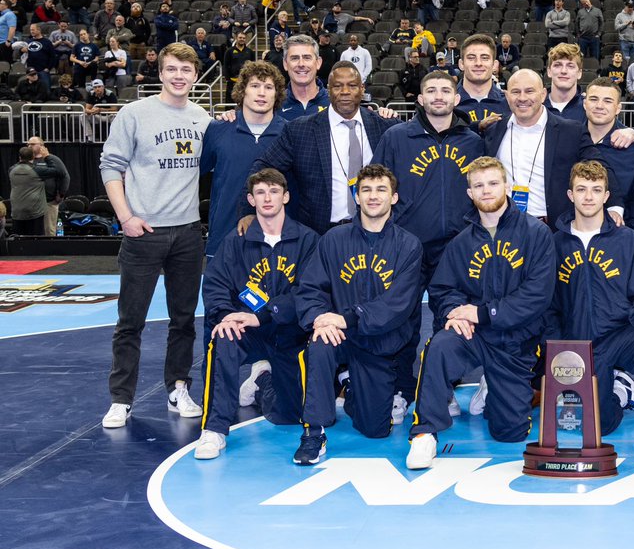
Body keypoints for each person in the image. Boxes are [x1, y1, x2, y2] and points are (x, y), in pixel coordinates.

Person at [406, 157, 556, 470]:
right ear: (470, 193)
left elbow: (536, 296)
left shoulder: (536, 234)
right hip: (473, 335)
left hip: (516, 341)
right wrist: (454, 313)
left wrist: (480, 312)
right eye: (478, 186)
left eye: (492, 183)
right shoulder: (461, 242)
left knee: (510, 433)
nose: (486, 191)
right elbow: (443, 289)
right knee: (440, 345)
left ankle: (493, 385)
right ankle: (424, 434)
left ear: (507, 186)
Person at [98, 43, 210, 429]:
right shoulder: (135, 113)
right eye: (172, 69)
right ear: (160, 72)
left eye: (186, 70)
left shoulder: (202, 118)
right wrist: (125, 217)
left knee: (183, 320)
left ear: (196, 76)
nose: (179, 76)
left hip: (188, 233)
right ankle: (121, 399)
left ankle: (178, 388)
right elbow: (110, 166)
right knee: (130, 321)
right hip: (143, 232)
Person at [291, 164, 424, 465]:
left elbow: (397, 304)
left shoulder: (408, 245)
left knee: (375, 429)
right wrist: (319, 318)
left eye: (381, 190)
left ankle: (349, 383)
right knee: (319, 343)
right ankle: (314, 433)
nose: (373, 196)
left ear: (394, 198)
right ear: (357, 196)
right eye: (366, 190)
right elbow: (310, 287)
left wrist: (347, 317)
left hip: (379, 341)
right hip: (338, 335)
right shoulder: (334, 239)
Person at [545, 160, 634, 460]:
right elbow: (547, 303)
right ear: (570, 195)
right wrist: (555, 346)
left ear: (606, 196)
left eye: (596, 190)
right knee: (598, 425)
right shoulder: (554, 243)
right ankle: (621, 389)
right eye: (582, 190)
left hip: (620, 334)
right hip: (578, 346)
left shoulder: (627, 240)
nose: (588, 197)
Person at [374, 70, 486, 417]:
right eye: (431, 90)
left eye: (445, 91)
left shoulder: (472, 142)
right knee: (401, 319)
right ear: (420, 99)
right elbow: (377, 185)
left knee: (450, 319)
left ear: (456, 98)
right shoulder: (396, 137)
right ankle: (401, 390)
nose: (438, 96)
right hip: (407, 245)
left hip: (456, 247)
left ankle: (446, 388)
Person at [195, 169, 319, 460]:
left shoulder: (307, 240)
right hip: (247, 331)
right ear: (251, 199)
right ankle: (214, 430)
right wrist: (226, 315)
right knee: (223, 339)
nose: (267, 198)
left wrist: (264, 315)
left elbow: (309, 292)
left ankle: (262, 377)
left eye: (274, 191)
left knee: (289, 415)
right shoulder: (235, 242)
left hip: (290, 333)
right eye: (261, 192)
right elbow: (214, 286)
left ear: (285, 197)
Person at [250, 62, 398, 234]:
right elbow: (262, 167)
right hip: (319, 234)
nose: (344, 92)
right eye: (337, 86)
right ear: (328, 90)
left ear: (362, 89)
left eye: (352, 85)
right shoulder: (299, 130)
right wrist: (247, 212)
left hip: (375, 231)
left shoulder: (383, 126)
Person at [482, 69, 614, 228]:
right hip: (504, 226)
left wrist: (615, 208)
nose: (522, 98)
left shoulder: (571, 131)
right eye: (516, 92)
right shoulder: (494, 129)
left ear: (543, 94)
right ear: (507, 96)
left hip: (551, 230)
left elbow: (601, 168)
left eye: (529, 91)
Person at [199, 61, 287, 258]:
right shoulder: (218, 129)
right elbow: (195, 174)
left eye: (268, 87)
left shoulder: (290, 133)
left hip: (275, 242)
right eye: (255, 86)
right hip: (223, 237)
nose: (262, 93)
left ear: (277, 93)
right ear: (242, 91)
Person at [26, 136, 69, 236]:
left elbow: (65, 176)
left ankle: (51, 251)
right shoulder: (27, 161)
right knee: (32, 233)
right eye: (27, 144)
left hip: (49, 202)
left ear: (41, 146)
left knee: (49, 231)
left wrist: (61, 194)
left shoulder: (52, 159)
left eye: (32, 144)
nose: (29, 146)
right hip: (31, 204)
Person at [8, 147, 46, 235]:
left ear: (19, 157)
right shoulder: (38, 170)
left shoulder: (11, 170)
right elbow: (60, 171)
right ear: (33, 157)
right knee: (36, 242)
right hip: (35, 214)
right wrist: (47, 156)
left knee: (18, 242)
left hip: (17, 212)